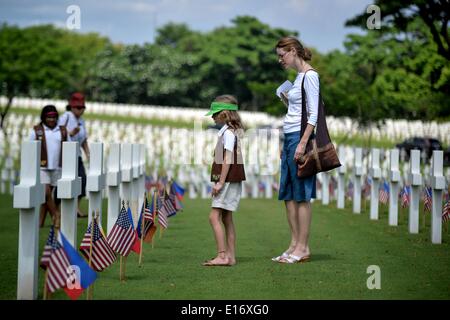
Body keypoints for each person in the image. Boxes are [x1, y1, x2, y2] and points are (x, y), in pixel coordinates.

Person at [272, 36, 319, 264]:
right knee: (288, 195)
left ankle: (303, 247)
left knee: (302, 195)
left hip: (301, 139)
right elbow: (296, 112)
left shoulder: (310, 76)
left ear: (293, 51)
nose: (280, 60)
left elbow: (313, 115)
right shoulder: (298, 78)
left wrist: (302, 143)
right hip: (290, 137)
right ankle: (293, 245)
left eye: (282, 55)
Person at [202, 95, 246, 267]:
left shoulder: (228, 133)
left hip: (226, 180)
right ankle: (230, 257)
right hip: (232, 179)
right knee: (226, 218)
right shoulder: (231, 131)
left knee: (214, 217)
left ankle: (222, 256)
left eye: (216, 113)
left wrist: (220, 182)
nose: (213, 116)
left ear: (225, 114)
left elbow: (227, 158)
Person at [30, 105, 68, 228]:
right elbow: (29, 148)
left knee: (47, 198)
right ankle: (56, 215)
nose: (51, 119)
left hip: (57, 167)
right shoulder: (37, 130)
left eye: (53, 117)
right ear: (44, 117)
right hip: (42, 167)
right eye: (48, 117)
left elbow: (69, 146)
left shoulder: (62, 130)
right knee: (46, 194)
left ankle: (40, 222)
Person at [58, 92, 89, 217]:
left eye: (82, 108)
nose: (80, 110)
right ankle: (61, 209)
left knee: (82, 180)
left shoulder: (82, 121)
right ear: (71, 106)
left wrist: (88, 153)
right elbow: (58, 133)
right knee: (67, 182)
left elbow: (84, 139)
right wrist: (70, 133)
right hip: (66, 154)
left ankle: (76, 208)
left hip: (77, 155)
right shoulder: (65, 117)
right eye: (78, 107)